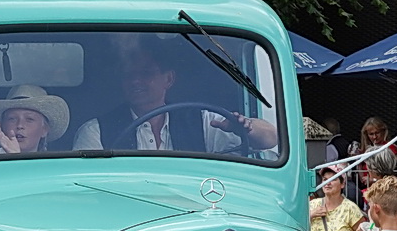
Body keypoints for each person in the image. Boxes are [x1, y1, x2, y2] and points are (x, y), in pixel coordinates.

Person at [70, 44, 278, 155]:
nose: (136, 81)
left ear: (168, 79)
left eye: (146, 72)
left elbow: (271, 139)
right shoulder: (96, 130)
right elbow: (85, 181)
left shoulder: (204, 121)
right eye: (128, 74)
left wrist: (245, 127)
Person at [0, 85, 70, 155]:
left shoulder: (50, 166)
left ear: (44, 130)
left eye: (29, 119)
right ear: (3, 126)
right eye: (12, 119)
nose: (20, 125)